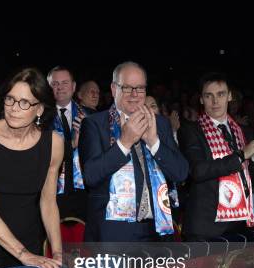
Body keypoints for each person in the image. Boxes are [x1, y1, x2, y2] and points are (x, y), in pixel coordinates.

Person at [0, 68, 63, 268]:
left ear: (39, 110)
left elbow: (48, 202)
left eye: (24, 102)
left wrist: (58, 252)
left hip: (30, 243)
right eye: (10, 99)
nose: (13, 108)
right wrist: (23, 254)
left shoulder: (54, 143)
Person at [79, 61, 188, 242]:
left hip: (157, 230)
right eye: (127, 88)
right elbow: (90, 176)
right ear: (114, 89)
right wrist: (124, 142)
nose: (134, 95)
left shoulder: (159, 123)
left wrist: (154, 142)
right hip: (113, 234)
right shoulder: (94, 124)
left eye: (140, 88)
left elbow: (181, 173)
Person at [178, 72, 254, 241]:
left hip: (238, 223)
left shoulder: (243, 131)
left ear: (230, 96)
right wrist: (242, 155)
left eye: (221, 94)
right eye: (209, 96)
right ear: (201, 99)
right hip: (206, 227)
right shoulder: (191, 130)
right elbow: (198, 171)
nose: (215, 102)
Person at [47, 66, 89, 220]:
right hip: (52, 191)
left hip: (85, 190)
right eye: (55, 84)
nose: (60, 87)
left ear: (74, 86)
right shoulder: (41, 117)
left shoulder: (89, 116)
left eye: (64, 83)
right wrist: (71, 144)